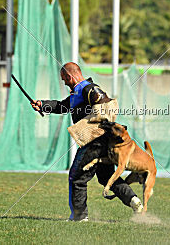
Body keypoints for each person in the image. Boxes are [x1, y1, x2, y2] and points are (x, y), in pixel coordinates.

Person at [31, 62, 143, 222]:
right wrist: (43, 105)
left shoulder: (88, 88)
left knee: (77, 177)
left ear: (70, 76)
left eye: (64, 79)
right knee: (106, 177)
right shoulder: (77, 93)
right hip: (103, 142)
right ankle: (133, 200)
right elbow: (63, 106)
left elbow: (106, 105)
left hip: (95, 142)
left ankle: (79, 216)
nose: (64, 83)